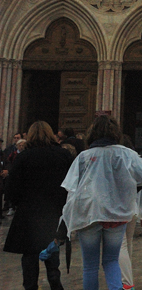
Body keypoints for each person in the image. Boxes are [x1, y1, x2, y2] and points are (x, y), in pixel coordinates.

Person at [61, 116, 142, 290]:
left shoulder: (84, 156)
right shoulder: (126, 154)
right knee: (111, 260)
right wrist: (126, 187)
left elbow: (70, 186)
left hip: (89, 213)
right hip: (115, 214)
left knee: (90, 265)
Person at [3, 121, 72, 290]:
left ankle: (30, 286)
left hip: (29, 212)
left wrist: (20, 203)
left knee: (29, 254)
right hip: (54, 211)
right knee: (52, 248)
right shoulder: (63, 155)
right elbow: (72, 184)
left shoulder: (24, 157)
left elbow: (11, 187)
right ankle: (55, 281)